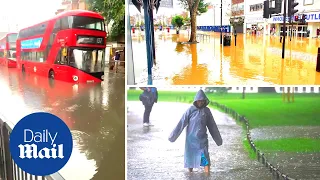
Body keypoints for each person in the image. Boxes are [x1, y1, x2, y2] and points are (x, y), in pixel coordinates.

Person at [168, 89, 222, 174]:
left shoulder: (207, 111)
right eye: (199, 101)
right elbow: (181, 123)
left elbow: (212, 126)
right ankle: (190, 174)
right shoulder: (190, 110)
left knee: (205, 156)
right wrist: (172, 137)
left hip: (202, 139)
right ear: (196, 101)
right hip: (191, 140)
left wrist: (218, 140)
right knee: (190, 158)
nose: (200, 102)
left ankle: (207, 175)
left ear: (205, 101)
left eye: (202, 101)